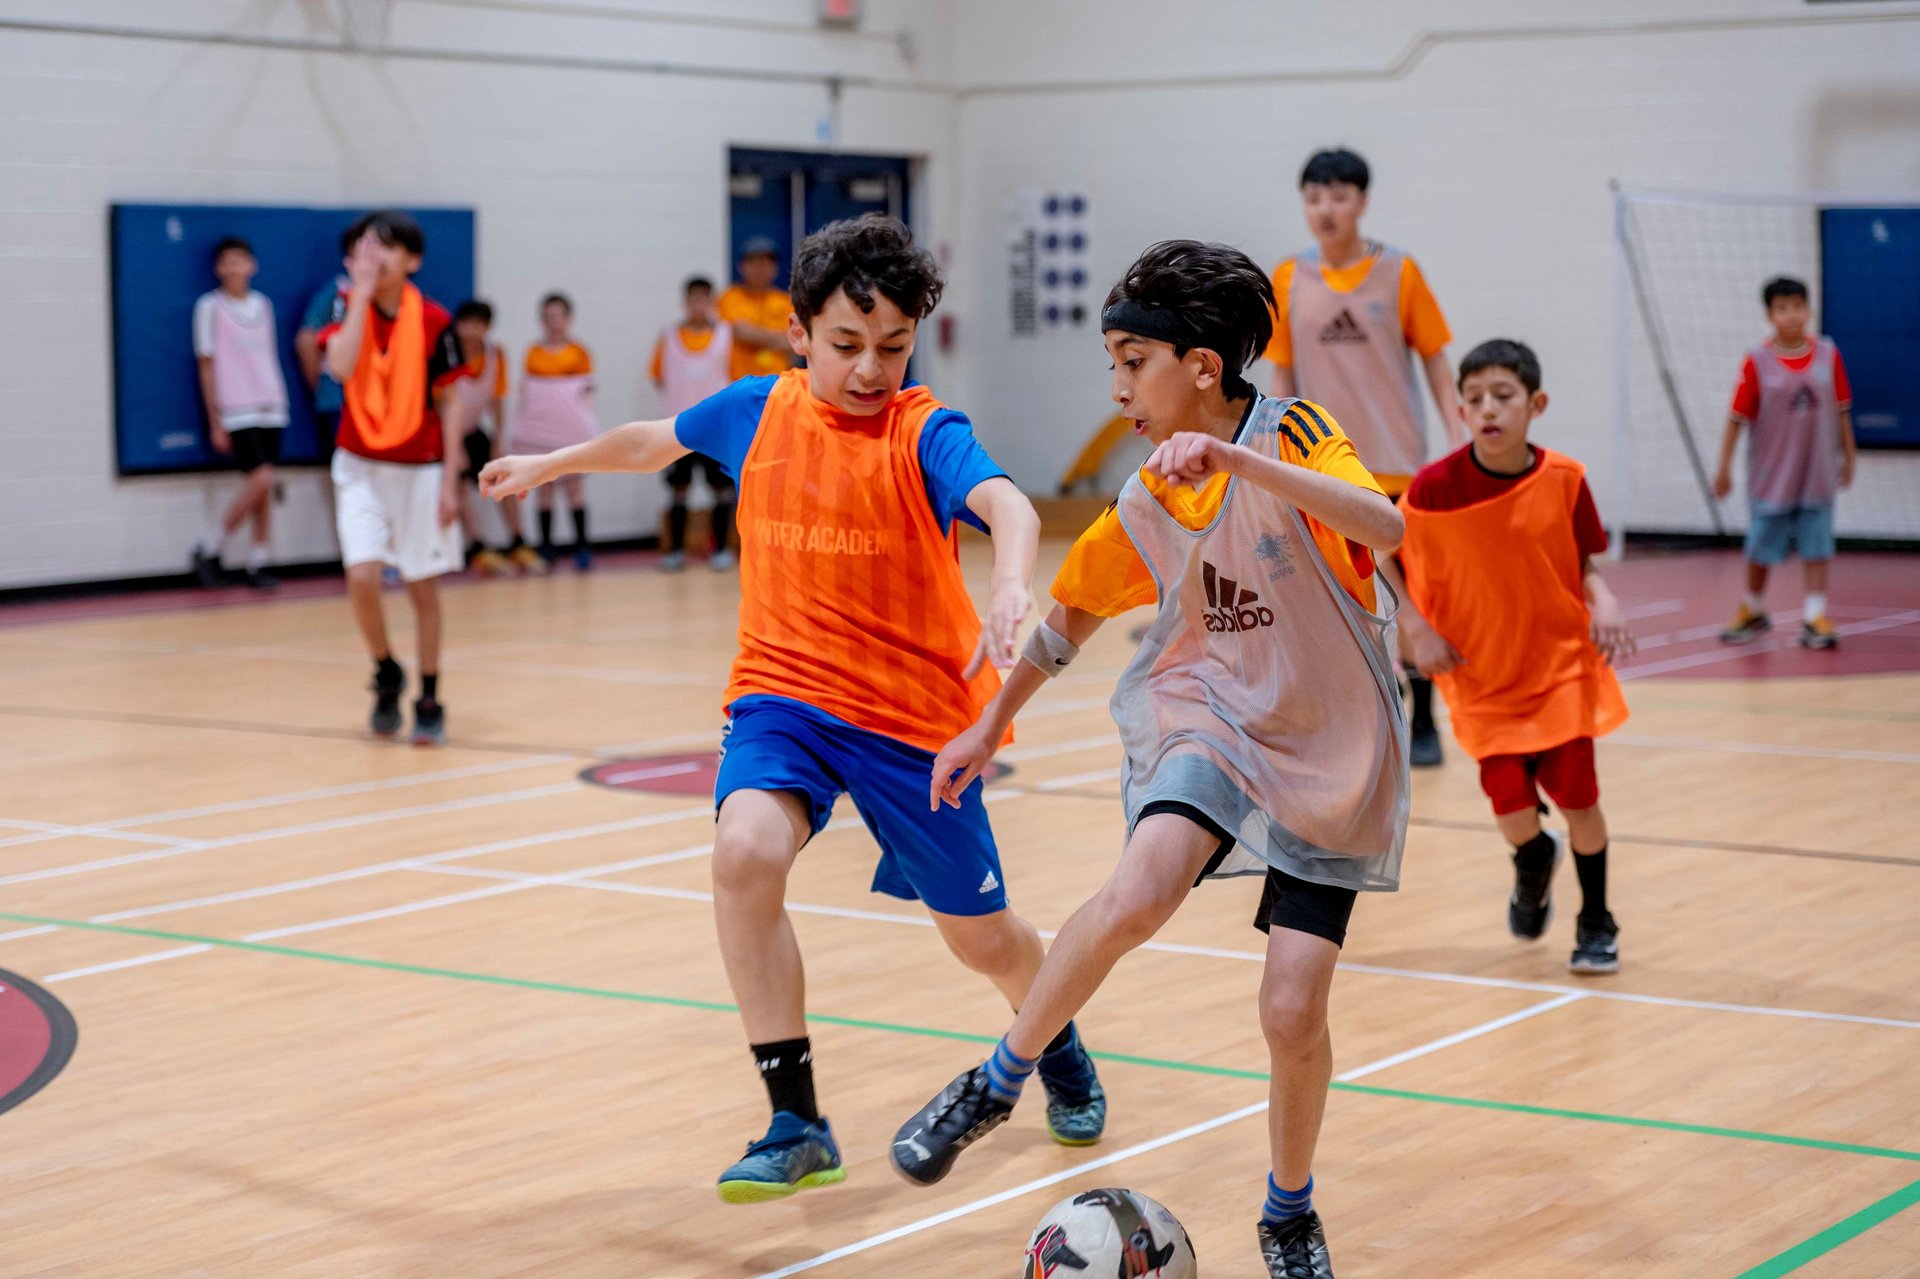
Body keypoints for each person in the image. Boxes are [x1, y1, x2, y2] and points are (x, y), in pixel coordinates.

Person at [482, 214, 1107, 1207]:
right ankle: (797, 1120)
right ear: (799, 332)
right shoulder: (756, 410)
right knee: (743, 854)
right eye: (848, 345)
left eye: (892, 348)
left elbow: (1012, 505)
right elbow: (655, 440)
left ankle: (1055, 1036)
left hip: (913, 717)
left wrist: (1013, 583)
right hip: (785, 694)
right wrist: (549, 466)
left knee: (981, 938)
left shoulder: (924, 430)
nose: (870, 368)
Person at [890, 240, 1409, 1279]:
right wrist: (988, 724)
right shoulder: (1143, 498)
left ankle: (1288, 1209)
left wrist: (1240, 462)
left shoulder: (1294, 431)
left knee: (1290, 1009)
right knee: (1137, 889)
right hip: (1211, 716)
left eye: (1134, 362)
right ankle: (998, 1079)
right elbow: (1065, 623)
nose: (1118, 387)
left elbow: (1385, 525)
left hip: (1333, 747)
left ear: (1203, 366)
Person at [1380, 339, 1632, 975]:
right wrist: (1414, 628)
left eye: (1503, 396)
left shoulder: (1566, 480)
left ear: (1535, 404)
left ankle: (1597, 920)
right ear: (1460, 410)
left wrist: (1602, 600)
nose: (1488, 409)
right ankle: (1532, 862)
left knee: (1579, 803)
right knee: (1512, 811)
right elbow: (1384, 556)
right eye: (1474, 399)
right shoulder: (1434, 489)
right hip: (1481, 674)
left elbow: (1587, 565)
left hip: (1559, 668)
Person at [1266, 147, 1466, 769]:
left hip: (1398, 462)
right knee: (1340, 598)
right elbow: (1281, 373)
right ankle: (1359, 721)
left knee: (1410, 595)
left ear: (1362, 201)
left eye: (1339, 196)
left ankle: (1424, 718)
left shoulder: (1399, 272)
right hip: (1324, 470)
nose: (1326, 210)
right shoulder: (1287, 279)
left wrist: (1458, 428)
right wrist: (1275, 455)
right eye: (1314, 198)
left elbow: (1434, 358)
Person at [319, 210, 474, 747]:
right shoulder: (347, 306)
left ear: (412, 259)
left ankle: (429, 695)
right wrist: (359, 297)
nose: (375, 256)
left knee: (420, 586)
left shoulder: (434, 320)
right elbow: (338, 368)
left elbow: (451, 403)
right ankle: (387, 669)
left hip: (420, 471)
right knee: (361, 578)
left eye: (386, 246)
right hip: (359, 464)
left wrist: (452, 479)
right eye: (366, 246)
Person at [1713, 277, 1857, 650]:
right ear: (1769, 315)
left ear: (1808, 310)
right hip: (1772, 471)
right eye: (1782, 308)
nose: (1791, 315)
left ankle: (1814, 615)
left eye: (1797, 306)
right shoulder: (1757, 361)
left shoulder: (1828, 354)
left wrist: (1849, 455)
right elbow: (1736, 417)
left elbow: (1842, 411)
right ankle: (1754, 607)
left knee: (1817, 542)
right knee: (1760, 543)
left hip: (1817, 470)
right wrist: (1724, 466)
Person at [189, 236, 290, 591]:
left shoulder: (263, 305)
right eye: (227, 262)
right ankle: (210, 545)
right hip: (236, 408)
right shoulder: (209, 307)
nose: (235, 268)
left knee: (265, 486)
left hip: (271, 403)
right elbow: (206, 364)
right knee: (259, 478)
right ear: (218, 268)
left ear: (253, 265)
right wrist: (215, 417)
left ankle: (259, 559)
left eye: (241, 260)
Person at [651, 275, 738, 571]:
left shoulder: (726, 335)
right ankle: (674, 552)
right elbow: (658, 377)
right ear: (685, 302)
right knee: (678, 490)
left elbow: (735, 377)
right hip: (679, 429)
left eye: (704, 299)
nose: (698, 305)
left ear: (711, 302)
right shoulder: (669, 337)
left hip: (715, 431)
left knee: (722, 490)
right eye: (693, 299)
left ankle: (721, 550)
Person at [447, 299, 538, 575]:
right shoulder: (448, 354)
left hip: (474, 430)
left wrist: (498, 441)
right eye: (466, 324)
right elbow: (441, 404)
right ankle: (477, 546)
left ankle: (518, 541)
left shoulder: (494, 355)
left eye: (479, 325)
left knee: (505, 474)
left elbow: (497, 400)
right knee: (458, 482)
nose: (472, 331)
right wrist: (454, 449)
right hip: (446, 434)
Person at [513, 293, 598, 568]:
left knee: (574, 488)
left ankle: (582, 547)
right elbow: (529, 394)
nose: (554, 323)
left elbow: (583, 396)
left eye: (559, 317)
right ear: (542, 320)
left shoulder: (579, 352)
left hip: (570, 434)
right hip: (541, 434)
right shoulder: (533, 353)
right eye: (548, 317)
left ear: (568, 319)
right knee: (544, 487)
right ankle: (546, 548)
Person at [295, 228, 354, 464]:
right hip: (338, 399)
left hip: (383, 405)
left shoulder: (401, 298)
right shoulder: (336, 292)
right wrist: (318, 384)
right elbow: (306, 338)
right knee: (347, 470)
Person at [718, 236, 796, 381]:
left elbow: (795, 341)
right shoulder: (730, 297)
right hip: (739, 384)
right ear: (741, 267)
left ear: (775, 268)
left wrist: (756, 336)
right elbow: (742, 333)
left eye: (765, 263)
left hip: (778, 384)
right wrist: (778, 339)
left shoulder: (785, 301)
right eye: (753, 262)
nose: (759, 268)